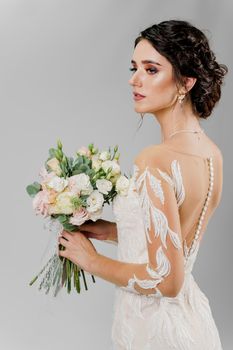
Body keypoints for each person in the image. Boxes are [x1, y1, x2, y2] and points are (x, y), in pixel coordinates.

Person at [58, 20, 228, 349]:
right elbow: (174, 243)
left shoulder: (155, 159)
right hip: (192, 322)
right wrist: (105, 230)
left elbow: (167, 280)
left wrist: (90, 260)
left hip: (154, 330)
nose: (134, 79)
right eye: (134, 67)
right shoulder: (212, 154)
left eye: (151, 70)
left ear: (186, 81)